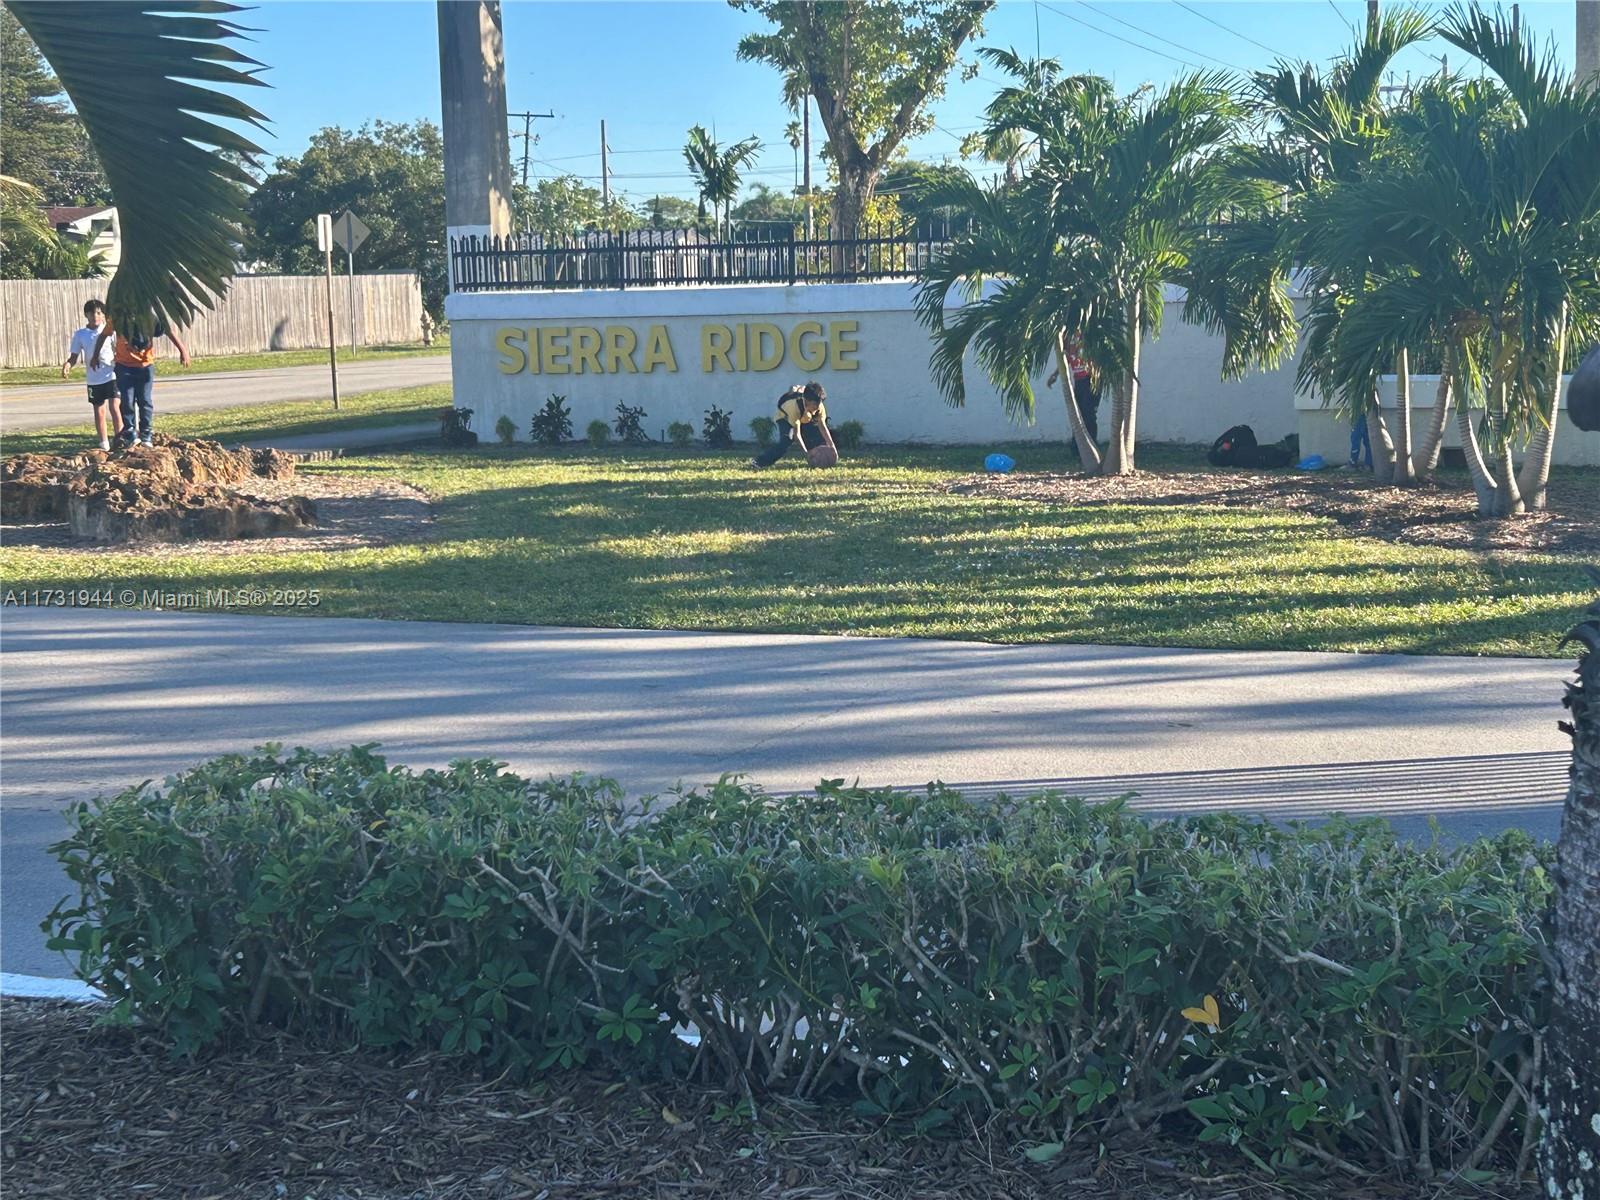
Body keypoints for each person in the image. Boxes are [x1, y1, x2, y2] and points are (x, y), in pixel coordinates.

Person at [93, 311, 191, 448]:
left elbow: (168, 331)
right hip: (124, 366)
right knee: (127, 401)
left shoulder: (150, 317)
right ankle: (130, 433)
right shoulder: (118, 318)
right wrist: (95, 355)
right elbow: (103, 335)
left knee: (145, 401)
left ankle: (146, 435)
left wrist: (183, 350)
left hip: (145, 366)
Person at [60, 299, 123, 451]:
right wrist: (68, 365)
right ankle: (104, 444)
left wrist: (117, 358)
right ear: (86, 315)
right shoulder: (81, 334)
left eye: (98, 313)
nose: (95, 316)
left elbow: (118, 349)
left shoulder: (109, 331)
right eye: (91, 313)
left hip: (111, 374)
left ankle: (120, 440)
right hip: (94, 378)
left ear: (103, 315)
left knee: (115, 407)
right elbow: (74, 356)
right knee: (99, 410)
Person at [750, 381, 834, 468]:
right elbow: (797, 435)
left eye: (818, 404)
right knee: (786, 441)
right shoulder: (794, 406)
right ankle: (759, 462)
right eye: (814, 405)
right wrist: (806, 454)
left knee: (818, 437)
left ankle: (819, 463)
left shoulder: (819, 406)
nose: (816, 408)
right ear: (806, 401)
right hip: (784, 418)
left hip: (804, 417)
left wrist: (832, 448)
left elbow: (823, 427)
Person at [1047, 335, 1099, 456]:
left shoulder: (1089, 333)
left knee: (1089, 414)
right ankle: (1077, 447)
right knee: (1078, 414)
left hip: (1091, 379)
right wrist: (1055, 374)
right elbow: (1066, 358)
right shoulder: (1067, 337)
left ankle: (1092, 447)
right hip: (1079, 380)